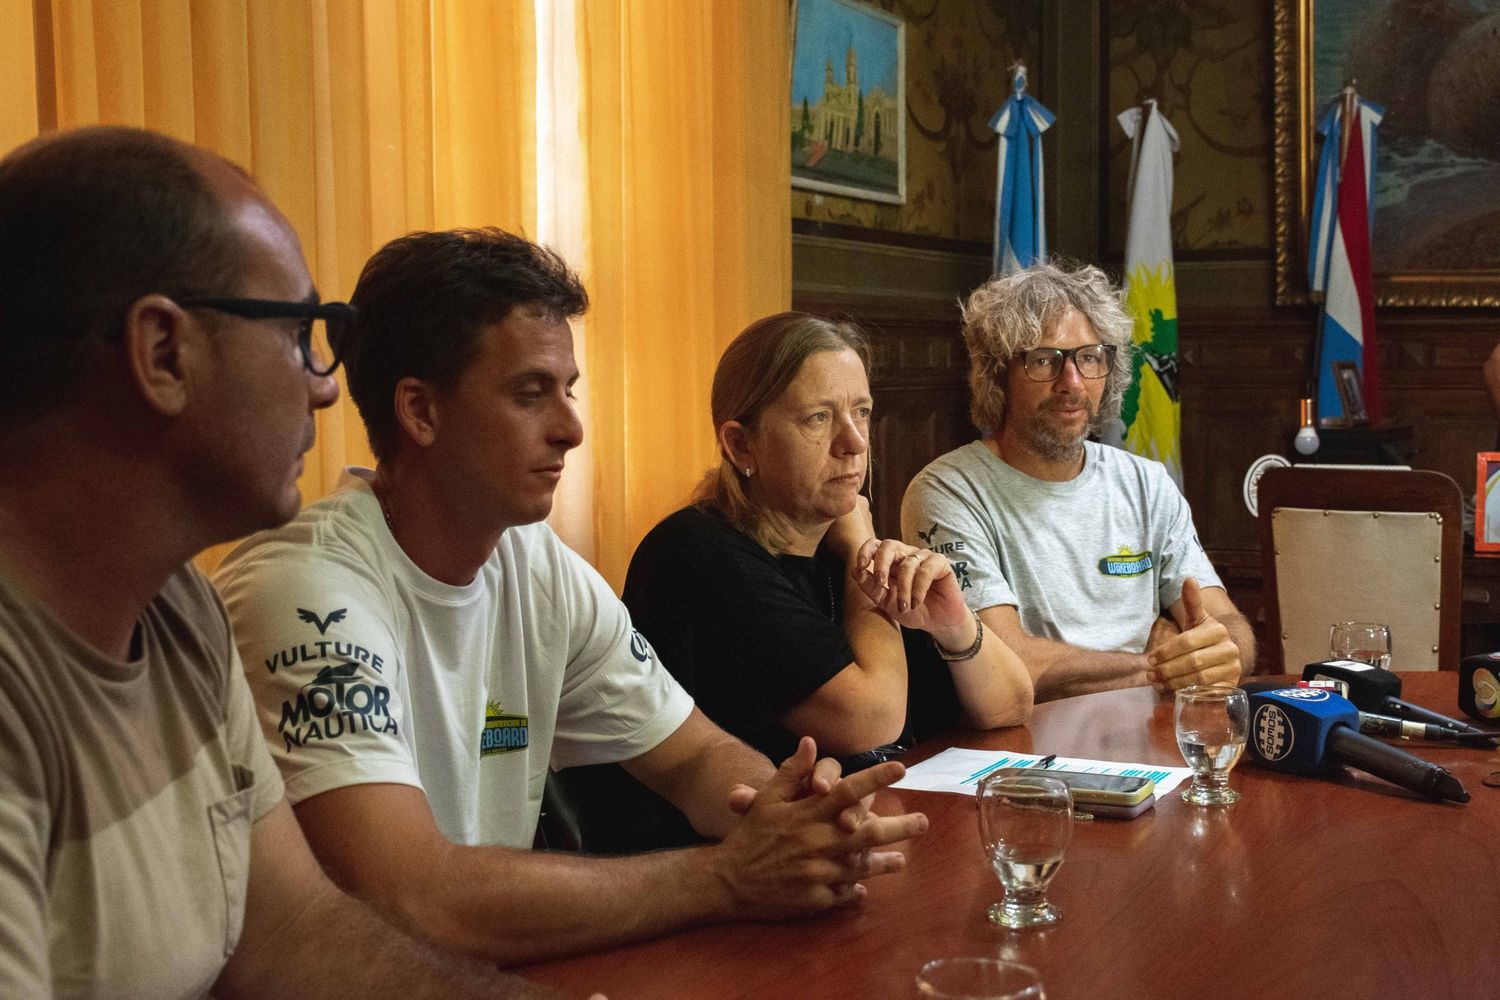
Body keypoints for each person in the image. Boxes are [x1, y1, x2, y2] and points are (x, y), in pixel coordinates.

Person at [211, 228, 928, 966]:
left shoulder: (534, 562)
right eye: (531, 394)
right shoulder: (306, 591)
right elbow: (406, 896)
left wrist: (794, 811)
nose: (572, 429)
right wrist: (726, 877)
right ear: (420, 412)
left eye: (570, 390)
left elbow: (692, 758)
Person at [0, 127, 576, 998]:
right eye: (301, 332)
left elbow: (294, 933)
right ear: (163, 352)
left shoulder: (178, 609)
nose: (326, 385)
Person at [561, 313, 1033, 852]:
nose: (853, 442)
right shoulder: (700, 552)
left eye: (861, 412)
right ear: (741, 446)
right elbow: (871, 719)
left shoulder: (832, 545)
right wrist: (863, 550)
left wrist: (952, 625)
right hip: (726, 876)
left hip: (877, 840)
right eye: (818, 418)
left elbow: (1011, 704)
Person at [901, 261, 1255, 702]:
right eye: (1044, 360)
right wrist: (1161, 667)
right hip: (1026, 750)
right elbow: (1009, 662)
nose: (1072, 382)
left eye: (1089, 358)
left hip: (1156, 733)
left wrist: (1223, 652)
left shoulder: (1147, 483)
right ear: (998, 376)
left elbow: (1227, 624)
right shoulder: (948, 490)